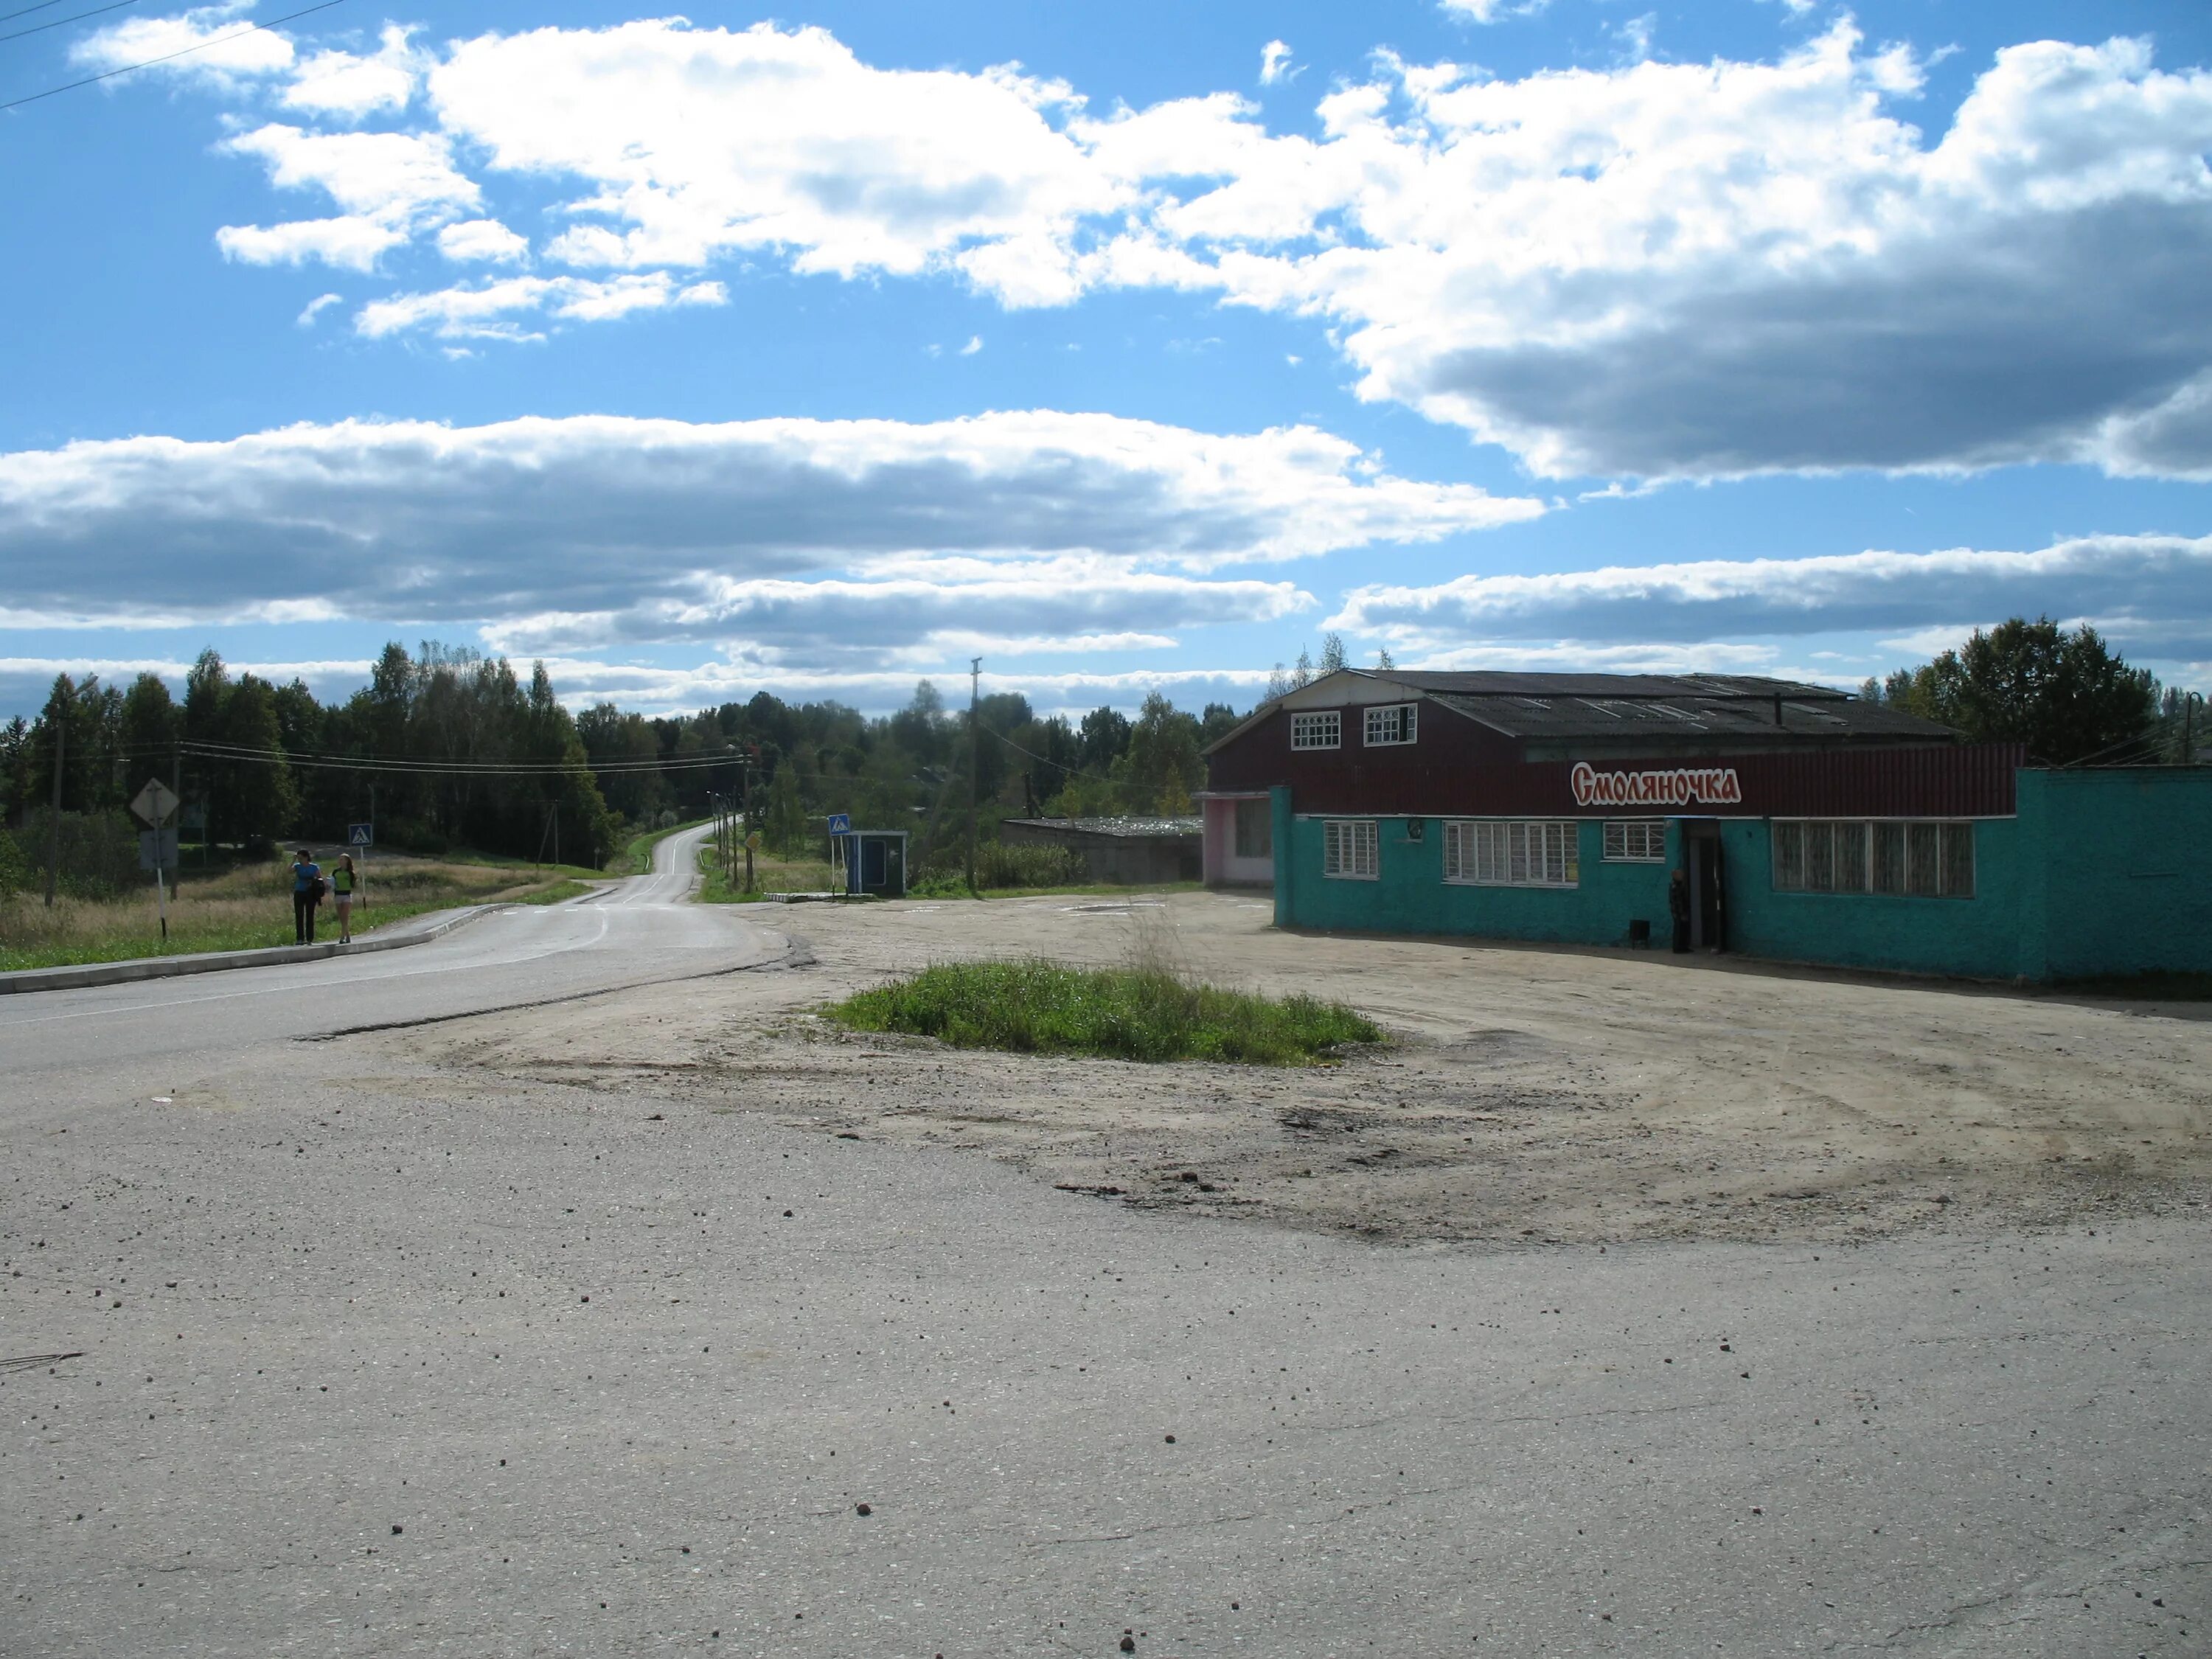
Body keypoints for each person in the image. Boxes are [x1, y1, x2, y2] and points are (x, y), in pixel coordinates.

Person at [291, 847, 321, 945]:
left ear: (306, 857)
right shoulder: (297, 866)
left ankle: (309, 938)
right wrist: (293, 860)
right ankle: (300, 938)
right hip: (299, 891)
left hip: (310, 893)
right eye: (298, 858)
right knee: (299, 915)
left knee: (310, 915)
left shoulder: (314, 867)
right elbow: (288, 871)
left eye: (301, 858)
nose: (300, 860)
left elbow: (319, 879)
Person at [332, 852, 359, 944]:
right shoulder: (336, 872)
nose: (340, 861)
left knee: (345, 916)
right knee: (341, 918)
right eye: (339, 859)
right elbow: (332, 881)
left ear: (347, 861)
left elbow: (353, 884)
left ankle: (342, 937)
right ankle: (348, 935)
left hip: (346, 895)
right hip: (337, 894)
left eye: (342, 859)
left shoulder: (350, 872)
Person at [1668, 866, 1691, 954]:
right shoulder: (1675, 886)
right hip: (1678, 911)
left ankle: (1684, 947)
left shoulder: (1681, 884)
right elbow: (1677, 901)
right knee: (1679, 930)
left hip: (1681, 910)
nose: (1682, 875)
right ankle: (1678, 948)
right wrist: (1682, 913)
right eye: (1680, 874)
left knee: (1684, 929)